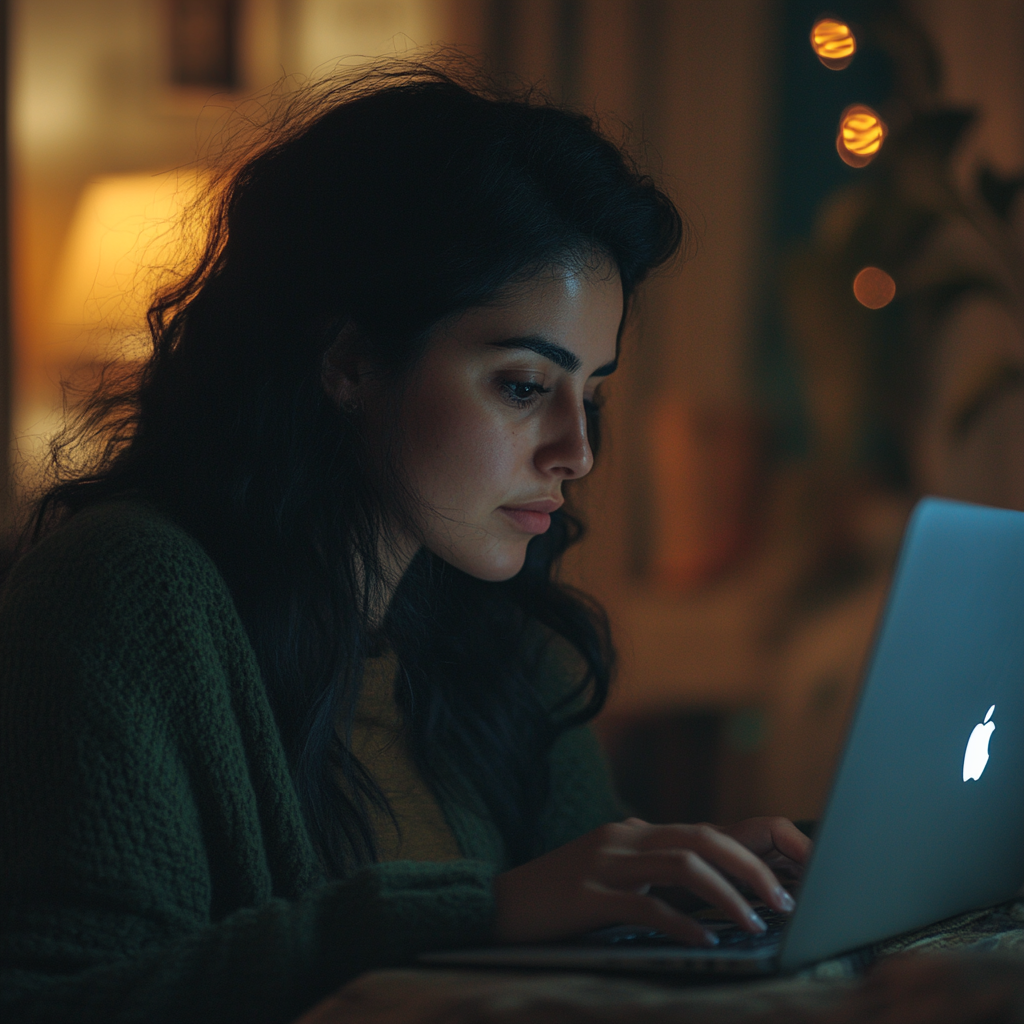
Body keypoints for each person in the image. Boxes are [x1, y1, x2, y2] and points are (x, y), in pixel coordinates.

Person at [0, 64, 810, 1024]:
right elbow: (66, 999)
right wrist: (484, 911)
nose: (578, 451)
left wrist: (706, 893)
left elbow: (599, 933)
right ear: (349, 361)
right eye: (521, 386)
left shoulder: (501, 640)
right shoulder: (128, 591)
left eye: (589, 393)